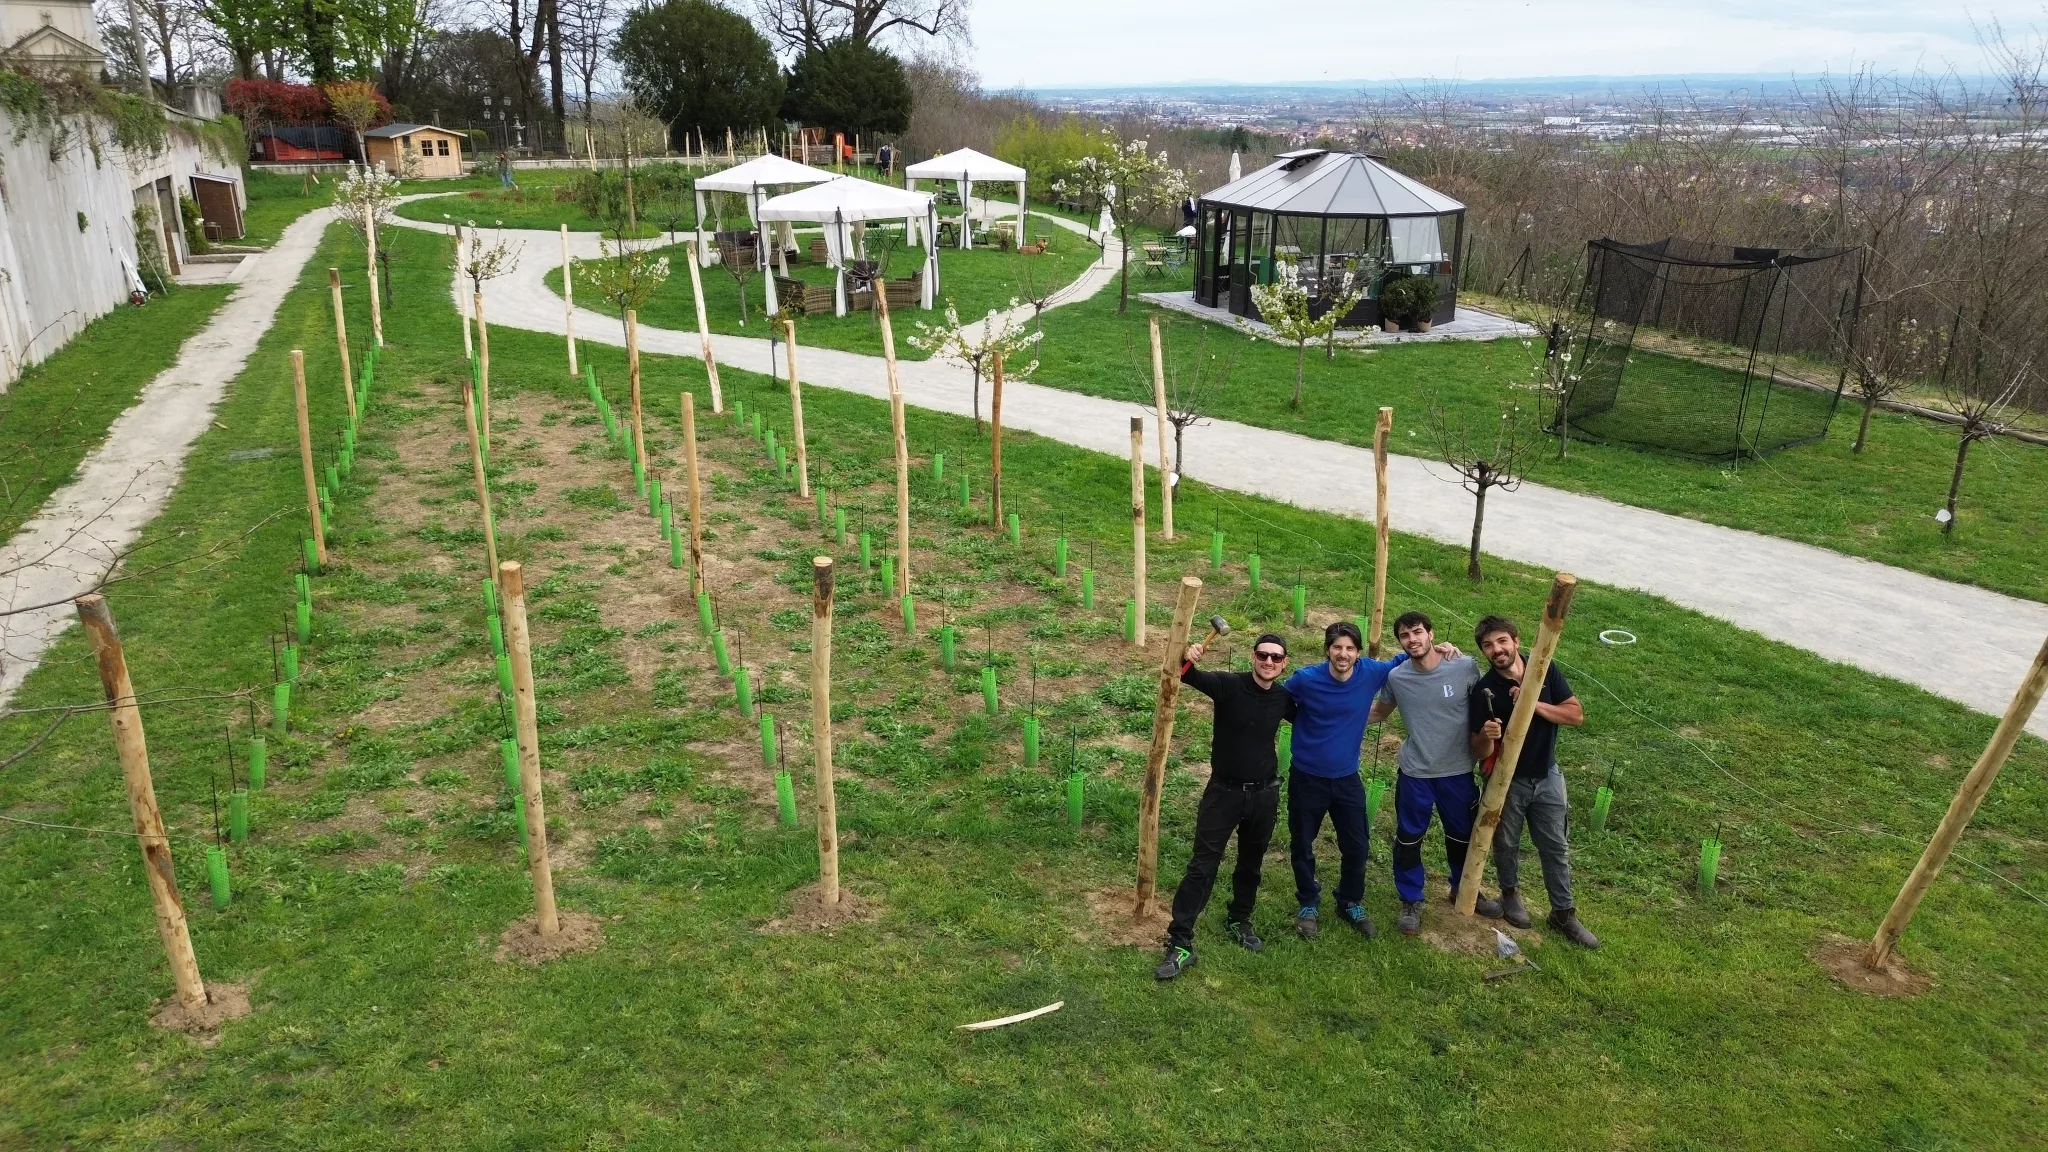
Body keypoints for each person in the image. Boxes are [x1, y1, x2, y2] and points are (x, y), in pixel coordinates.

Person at [1154, 633, 1296, 980]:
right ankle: (1181, 941)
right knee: (1203, 866)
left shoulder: (1283, 698)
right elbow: (1184, 674)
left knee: (1251, 864)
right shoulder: (1228, 685)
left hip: (1264, 794)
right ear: (1253, 656)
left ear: (1284, 664)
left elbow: (1320, 717)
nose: (1268, 662)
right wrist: (1188, 654)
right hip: (1224, 793)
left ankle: (1239, 920)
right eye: (1263, 655)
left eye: (1276, 658)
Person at [1283, 620, 1433, 940]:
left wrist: (1442, 647)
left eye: (1350, 648)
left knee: (1357, 844)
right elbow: (1279, 704)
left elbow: (1403, 656)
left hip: (1347, 778)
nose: (1343, 653)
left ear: (1358, 653)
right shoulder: (1305, 680)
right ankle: (1308, 902)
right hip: (1306, 778)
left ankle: (1349, 900)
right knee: (1302, 843)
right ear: (1327, 649)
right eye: (1337, 647)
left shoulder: (1371, 673)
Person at [1467, 614, 1599, 948]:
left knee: (1555, 845)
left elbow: (1575, 715)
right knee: (1506, 842)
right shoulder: (1485, 690)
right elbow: (1477, 749)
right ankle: (1510, 894)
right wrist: (1487, 734)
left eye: (1502, 641)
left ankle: (1563, 913)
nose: (1496, 650)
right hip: (1507, 781)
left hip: (1548, 775)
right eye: (1488, 645)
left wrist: (1532, 703)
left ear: (1515, 640)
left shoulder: (1544, 671)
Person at [1370, 611, 1503, 935]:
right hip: (1416, 772)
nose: (1412, 639)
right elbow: (1379, 711)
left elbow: (1486, 703)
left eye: (1417, 632)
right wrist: (1334, 717)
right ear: (1400, 642)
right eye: (1405, 635)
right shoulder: (1398, 678)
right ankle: (1410, 899)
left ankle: (1463, 887)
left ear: (1431, 634)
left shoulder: (1464, 667)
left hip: (1457, 771)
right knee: (1409, 838)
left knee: (1461, 837)